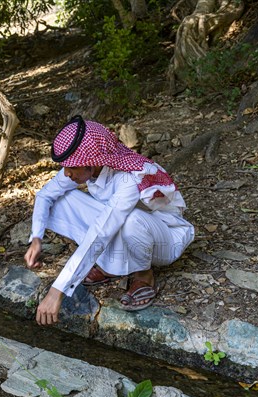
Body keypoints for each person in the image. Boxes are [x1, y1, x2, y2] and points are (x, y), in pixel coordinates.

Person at [24, 116, 194, 326]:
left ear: (92, 161)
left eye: (71, 167)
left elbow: (101, 231)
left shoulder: (129, 178)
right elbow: (45, 195)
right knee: (61, 198)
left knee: (132, 220)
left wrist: (57, 291)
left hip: (165, 239)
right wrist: (36, 238)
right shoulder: (84, 165)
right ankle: (110, 265)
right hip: (120, 227)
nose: (66, 173)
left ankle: (143, 275)